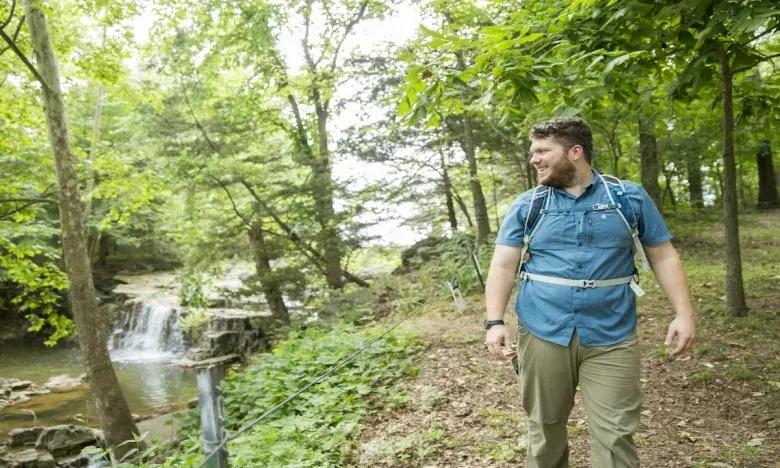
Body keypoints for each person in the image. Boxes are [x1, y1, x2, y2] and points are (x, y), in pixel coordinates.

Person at [484, 117, 695, 468]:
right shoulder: (529, 204)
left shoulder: (627, 198)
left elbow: (664, 255)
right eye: (532, 151)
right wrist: (494, 321)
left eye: (541, 151)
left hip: (612, 335)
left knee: (615, 436)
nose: (533, 159)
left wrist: (684, 314)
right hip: (543, 331)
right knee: (545, 432)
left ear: (575, 152)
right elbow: (503, 265)